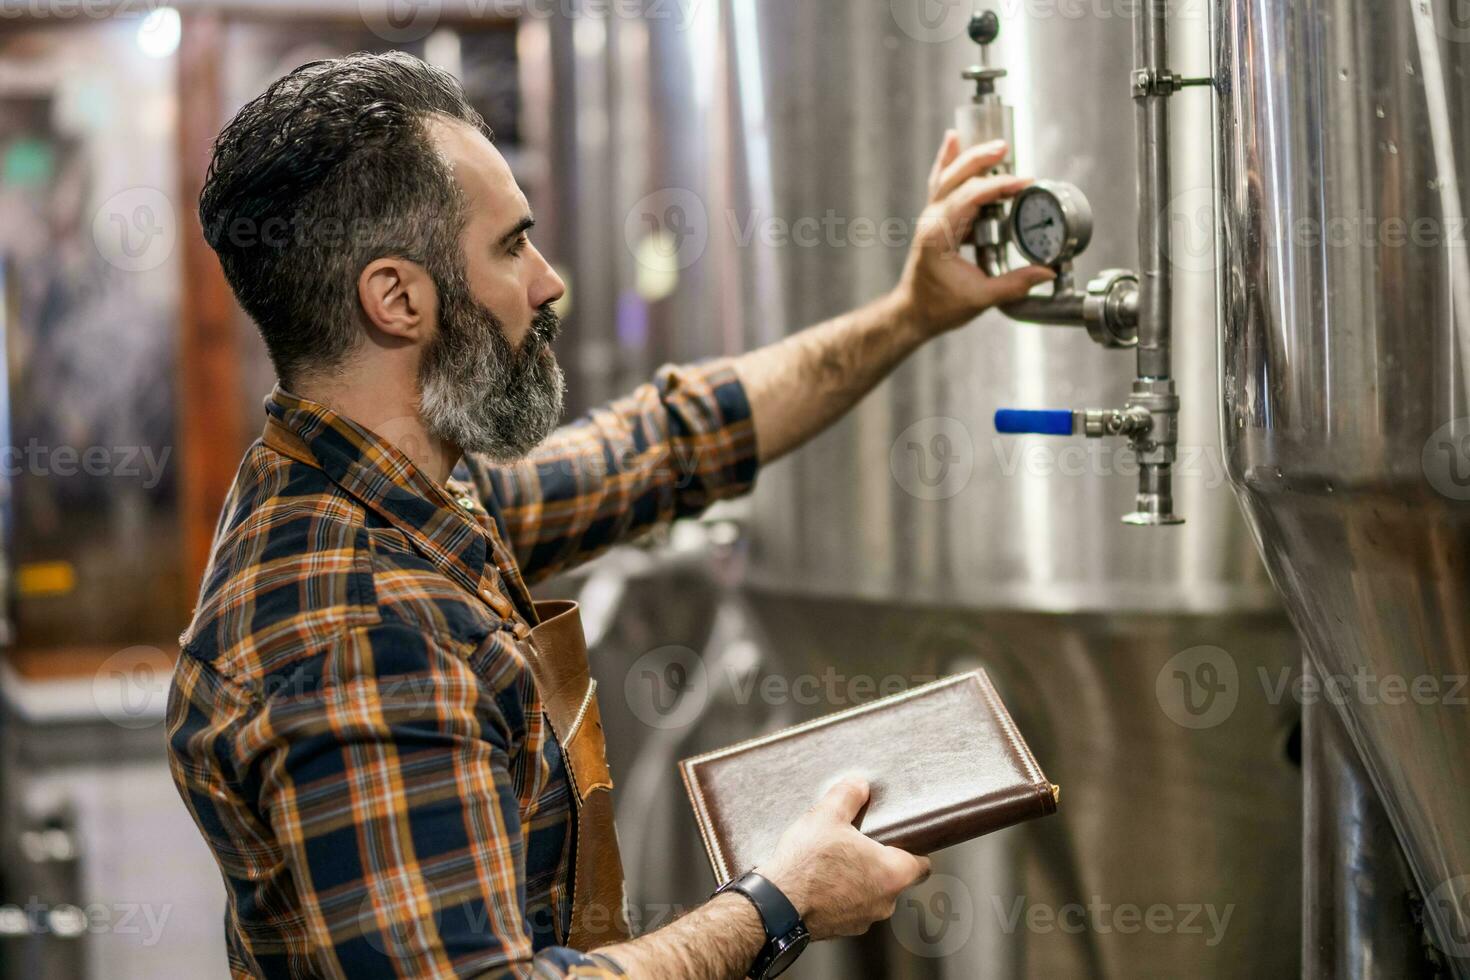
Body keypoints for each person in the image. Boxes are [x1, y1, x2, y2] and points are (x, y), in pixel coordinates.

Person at [166, 51, 1053, 980]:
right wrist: (776, 902)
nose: (549, 282)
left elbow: (663, 445)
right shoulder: (364, 632)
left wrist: (912, 312)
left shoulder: (390, 499)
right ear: (398, 299)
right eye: (511, 247)